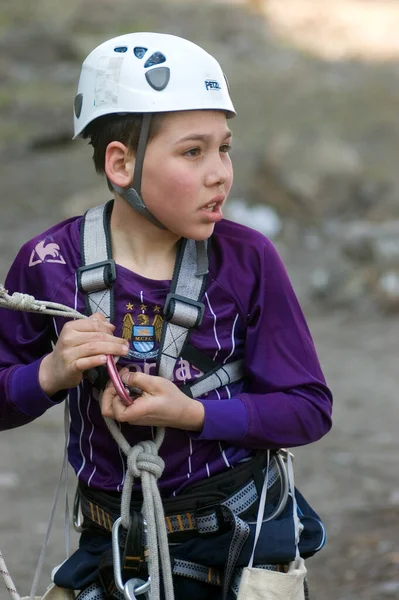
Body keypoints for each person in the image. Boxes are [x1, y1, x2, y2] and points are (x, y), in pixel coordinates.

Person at [0, 32, 332, 600]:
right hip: (109, 545)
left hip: (233, 541)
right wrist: (49, 374)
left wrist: (196, 415)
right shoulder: (50, 264)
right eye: (192, 151)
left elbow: (307, 408)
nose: (220, 173)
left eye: (224, 148)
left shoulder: (248, 260)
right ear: (121, 163)